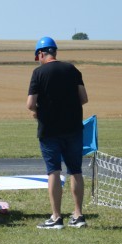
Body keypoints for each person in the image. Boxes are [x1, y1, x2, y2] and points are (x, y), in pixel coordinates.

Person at [26, 36, 89, 229]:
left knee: (53, 171)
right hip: (73, 129)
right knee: (75, 170)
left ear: (41, 54)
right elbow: (84, 99)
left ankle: (56, 217)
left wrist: (38, 111)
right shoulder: (72, 70)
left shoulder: (38, 73)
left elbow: (30, 104)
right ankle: (78, 215)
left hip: (49, 130)